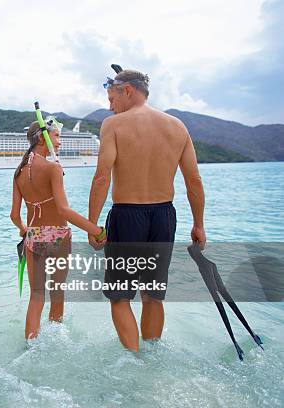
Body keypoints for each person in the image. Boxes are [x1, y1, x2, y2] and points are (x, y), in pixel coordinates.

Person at [88, 68, 206, 352]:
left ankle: (133, 359)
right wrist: (199, 224)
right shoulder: (177, 126)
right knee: (153, 295)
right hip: (164, 217)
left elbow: (102, 177)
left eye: (111, 96)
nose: (109, 105)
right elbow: (194, 180)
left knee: (120, 297)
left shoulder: (113, 125)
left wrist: (93, 225)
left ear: (127, 90)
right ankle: (152, 356)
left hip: (128, 216)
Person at [10, 119, 104, 339]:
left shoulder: (19, 173)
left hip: (33, 237)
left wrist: (24, 229)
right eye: (57, 136)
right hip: (58, 237)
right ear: (43, 138)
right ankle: (55, 339)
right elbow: (63, 210)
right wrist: (96, 230)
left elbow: (14, 215)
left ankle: (30, 344)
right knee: (57, 292)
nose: (59, 142)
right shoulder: (53, 168)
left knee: (36, 296)